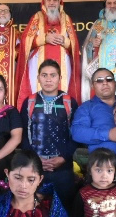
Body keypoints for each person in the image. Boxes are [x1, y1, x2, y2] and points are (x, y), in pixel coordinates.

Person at [19, 59, 79, 205]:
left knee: (64, 209)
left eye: (53, 75)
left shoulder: (69, 102)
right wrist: (35, 159)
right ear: (38, 78)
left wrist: (63, 157)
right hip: (35, 168)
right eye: (44, 75)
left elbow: (76, 135)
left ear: (60, 78)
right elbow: (23, 135)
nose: (48, 79)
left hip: (63, 169)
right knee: (35, 209)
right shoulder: (30, 102)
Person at [16, 0, 81, 107]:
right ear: (44, 2)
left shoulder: (66, 19)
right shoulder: (36, 17)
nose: (51, 3)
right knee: (38, 94)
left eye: (55, 0)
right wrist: (44, 39)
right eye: (49, 0)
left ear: (60, 3)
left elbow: (75, 46)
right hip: (38, 63)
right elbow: (25, 42)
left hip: (63, 65)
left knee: (62, 95)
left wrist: (65, 41)